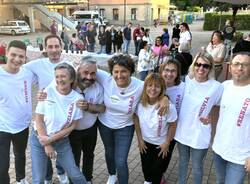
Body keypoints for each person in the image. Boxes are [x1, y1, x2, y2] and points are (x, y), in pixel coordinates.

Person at [96, 54, 168, 184]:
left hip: (125, 127)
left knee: (121, 160)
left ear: (130, 71)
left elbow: (155, 87)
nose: (119, 75)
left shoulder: (139, 85)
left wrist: (165, 98)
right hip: (105, 124)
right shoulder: (106, 79)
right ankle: (112, 175)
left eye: (123, 71)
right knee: (109, 152)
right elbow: (85, 68)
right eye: (116, 71)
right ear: (111, 72)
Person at [25, 34, 72, 184]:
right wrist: (37, 92)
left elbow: (76, 86)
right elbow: (16, 71)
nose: (53, 50)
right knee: (44, 150)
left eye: (56, 46)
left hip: (63, 118)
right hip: (44, 117)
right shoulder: (37, 64)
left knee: (61, 148)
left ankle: (61, 172)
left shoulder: (69, 65)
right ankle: (47, 177)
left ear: (62, 47)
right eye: (50, 47)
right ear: (45, 48)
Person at [29, 63, 87, 184]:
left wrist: (51, 140)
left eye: (63, 76)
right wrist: (47, 143)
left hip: (61, 141)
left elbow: (72, 126)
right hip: (39, 138)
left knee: (75, 175)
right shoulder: (47, 92)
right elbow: (38, 119)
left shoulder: (77, 99)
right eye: (57, 76)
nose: (59, 80)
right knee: (38, 179)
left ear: (71, 79)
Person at [174, 50, 223, 184]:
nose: (201, 68)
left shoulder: (217, 87)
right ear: (194, 65)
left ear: (210, 68)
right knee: (182, 162)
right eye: (198, 64)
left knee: (197, 166)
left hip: (200, 132)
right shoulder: (186, 81)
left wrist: (211, 119)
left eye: (205, 66)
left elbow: (221, 109)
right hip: (183, 130)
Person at [212, 52, 250, 184]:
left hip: (240, 156)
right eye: (236, 64)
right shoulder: (224, 86)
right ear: (230, 67)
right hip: (219, 149)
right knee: (220, 181)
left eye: (245, 65)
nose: (240, 68)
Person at [134, 73, 177, 184]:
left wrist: (167, 142)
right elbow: (136, 119)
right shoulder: (140, 104)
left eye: (157, 86)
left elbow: (173, 125)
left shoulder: (168, 106)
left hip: (160, 145)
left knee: (157, 171)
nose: (153, 89)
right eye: (150, 85)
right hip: (145, 143)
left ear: (162, 89)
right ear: (145, 87)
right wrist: (140, 139)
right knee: (146, 169)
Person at [0, 40, 33, 184]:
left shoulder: (27, 72)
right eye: (13, 55)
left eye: (21, 56)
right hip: (2, 127)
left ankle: (21, 179)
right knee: (2, 166)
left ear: (25, 58)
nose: (17, 59)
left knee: (20, 155)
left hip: (22, 125)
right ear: (6, 53)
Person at [69, 56, 105, 184]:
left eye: (93, 73)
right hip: (72, 131)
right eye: (85, 72)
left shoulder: (98, 88)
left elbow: (102, 108)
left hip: (90, 129)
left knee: (89, 155)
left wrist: (88, 107)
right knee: (74, 158)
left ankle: (88, 179)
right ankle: (74, 181)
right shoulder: (70, 86)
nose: (89, 77)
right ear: (78, 70)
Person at [159, 59, 185, 183]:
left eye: (173, 71)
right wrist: (164, 96)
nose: (169, 74)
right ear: (161, 71)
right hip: (155, 128)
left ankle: (161, 174)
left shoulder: (183, 87)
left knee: (166, 153)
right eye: (166, 70)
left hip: (173, 129)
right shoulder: (156, 85)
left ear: (178, 73)